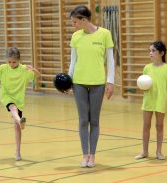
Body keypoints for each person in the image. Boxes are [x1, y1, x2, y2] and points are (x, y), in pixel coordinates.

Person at [68, 5, 115, 168]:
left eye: (75, 22)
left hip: (98, 83)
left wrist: (110, 81)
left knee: (94, 120)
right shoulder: (76, 37)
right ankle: (85, 155)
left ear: (84, 20)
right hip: (79, 83)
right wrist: (69, 80)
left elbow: (110, 60)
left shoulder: (105, 34)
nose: (73, 25)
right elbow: (73, 61)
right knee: (83, 120)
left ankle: (93, 155)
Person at [0, 47, 40, 161]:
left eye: (14, 62)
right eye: (9, 61)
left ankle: (17, 152)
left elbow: (38, 75)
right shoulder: (3, 68)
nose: (11, 64)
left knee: (17, 127)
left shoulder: (24, 70)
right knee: (13, 108)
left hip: (19, 99)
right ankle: (20, 120)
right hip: (6, 96)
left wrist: (33, 69)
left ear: (19, 60)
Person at [135, 41, 167, 160]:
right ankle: (144, 152)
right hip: (148, 100)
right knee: (146, 126)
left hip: (160, 101)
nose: (151, 53)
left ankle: (159, 152)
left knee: (159, 126)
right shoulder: (147, 68)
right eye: (150, 51)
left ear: (162, 53)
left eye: (153, 51)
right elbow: (144, 85)